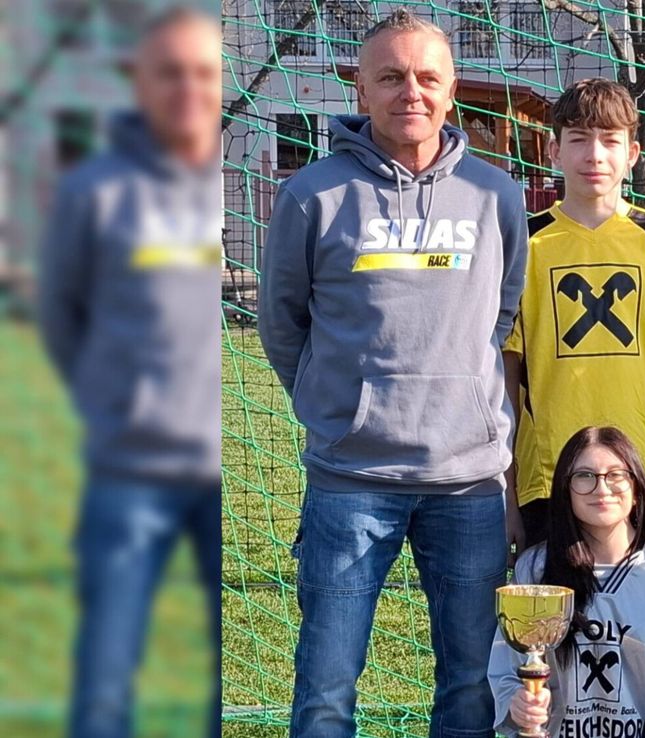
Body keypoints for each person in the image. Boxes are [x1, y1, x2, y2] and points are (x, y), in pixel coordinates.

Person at [256, 8, 528, 737]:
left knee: (470, 686)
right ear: (362, 88)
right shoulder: (311, 194)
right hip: (351, 481)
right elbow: (283, 324)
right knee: (324, 689)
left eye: (427, 77)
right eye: (391, 76)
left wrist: (460, 397)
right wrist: (340, 404)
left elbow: (499, 318)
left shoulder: (497, 196)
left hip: (467, 483)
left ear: (450, 90)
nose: (411, 91)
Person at [35, 8, 223, 738]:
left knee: (218, 670)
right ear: (137, 82)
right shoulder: (95, 190)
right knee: (107, 673)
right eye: (168, 71)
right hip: (127, 470)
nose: (187, 87)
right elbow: (59, 312)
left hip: (222, 477)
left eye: (203, 72)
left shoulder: (250, 186)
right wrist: (111, 400)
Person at [501, 78, 645, 561]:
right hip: (551, 477)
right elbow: (506, 381)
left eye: (610, 140)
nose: (594, 155)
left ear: (634, 152)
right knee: (557, 628)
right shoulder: (524, 244)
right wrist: (509, 496)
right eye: (578, 139)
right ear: (553, 150)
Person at [489, 426, 645, 736]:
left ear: (637, 489)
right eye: (584, 476)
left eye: (616, 475)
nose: (601, 488)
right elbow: (506, 670)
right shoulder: (536, 570)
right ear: (565, 491)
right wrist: (517, 703)